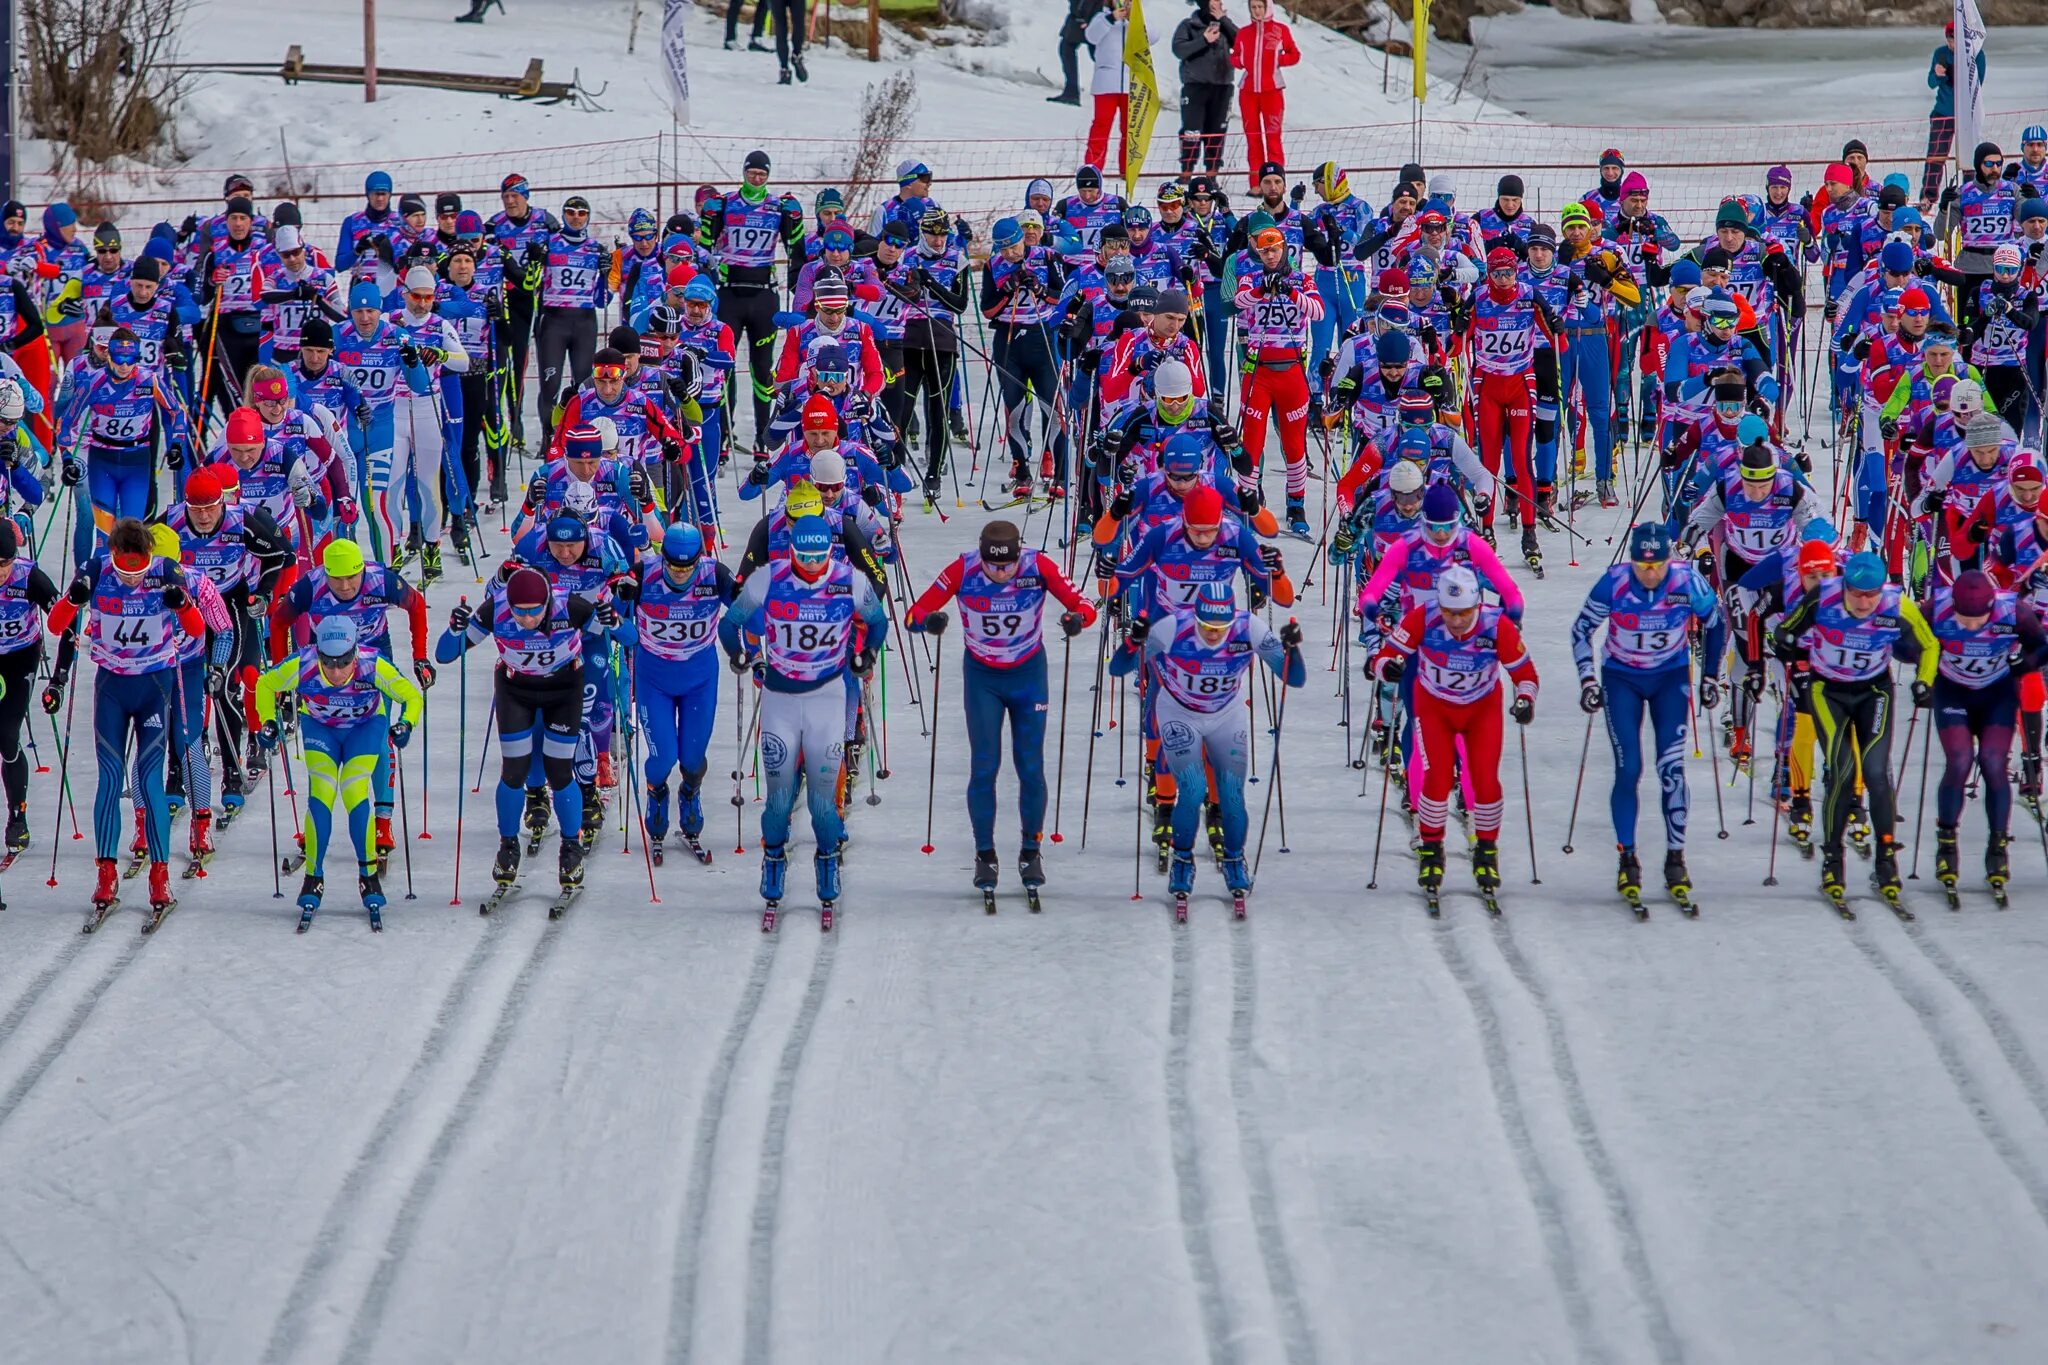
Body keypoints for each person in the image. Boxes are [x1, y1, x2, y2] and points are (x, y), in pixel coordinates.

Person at [908, 520, 1097, 899]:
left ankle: (1031, 851)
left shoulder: (1038, 565)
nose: (1000, 573)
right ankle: (985, 853)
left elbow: (1085, 604)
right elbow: (914, 614)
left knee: (1030, 765)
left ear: (1017, 557)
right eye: (992, 567)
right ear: (981, 557)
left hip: (1028, 674)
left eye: (1007, 566)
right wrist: (931, 621)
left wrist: (1076, 620)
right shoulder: (962, 569)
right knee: (984, 765)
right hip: (983, 678)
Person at [719, 515, 890, 924]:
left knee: (821, 797)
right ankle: (774, 859)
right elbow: (731, 624)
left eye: (819, 556)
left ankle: (828, 857)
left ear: (830, 551)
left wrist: (866, 654)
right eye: (804, 555)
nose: (812, 565)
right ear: (792, 550)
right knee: (778, 798)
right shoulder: (770, 577)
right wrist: (743, 655)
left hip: (827, 697)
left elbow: (879, 621)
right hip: (780, 696)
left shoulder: (850, 580)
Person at [46, 518, 208, 922]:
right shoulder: (98, 569)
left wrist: (183, 604)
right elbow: (55, 625)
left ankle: (159, 875)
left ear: (149, 559)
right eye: (124, 572)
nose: (131, 581)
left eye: (137, 573)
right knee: (110, 777)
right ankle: (105, 873)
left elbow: (198, 629)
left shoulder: (167, 571)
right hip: (113, 687)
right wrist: (72, 599)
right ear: (114, 557)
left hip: (155, 684)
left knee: (150, 779)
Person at [1113, 579, 1303, 908]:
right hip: (1178, 712)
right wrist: (1134, 642)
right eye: (1206, 626)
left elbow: (1294, 678)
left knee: (1231, 794)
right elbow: (1119, 667)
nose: (1214, 634)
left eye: (1221, 627)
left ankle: (1234, 860)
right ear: (1195, 617)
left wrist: (1293, 651)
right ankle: (1182, 862)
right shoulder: (1173, 627)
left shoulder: (1250, 628)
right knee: (1193, 788)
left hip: (1225, 713)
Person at [1572, 523, 1726, 906]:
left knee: (1671, 767)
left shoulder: (1687, 581)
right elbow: (1581, 630)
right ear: (1632, 562)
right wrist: (1589, 681)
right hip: (1622, 678)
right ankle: (1628, 856)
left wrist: (1710, 677)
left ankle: (1676, 856)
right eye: (1644, 566)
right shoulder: (1614, 583)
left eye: (1658, 564)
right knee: (1629, 769)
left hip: (1669, 678)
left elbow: (1716, 623)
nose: (1651, 573)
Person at [1772, 550, 1938, 904]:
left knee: (1876, 773)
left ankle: (1886, 858)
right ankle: (1833, 858)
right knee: (1843, 771)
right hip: (1827, 690)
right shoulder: (1823, 596)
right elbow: (1787, 629)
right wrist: (1784, 644)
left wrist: (1925, 681)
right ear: (1844, 586)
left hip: (1874, 690)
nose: (1864, 603)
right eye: (1857, 594)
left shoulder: (1897, 605)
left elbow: (1929, 644)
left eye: (1871, 594)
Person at [436, 565, 602, 905]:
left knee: (559, 770)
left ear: (547, 602)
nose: (526, 619)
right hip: (516, 689)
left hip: (564, 688)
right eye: (519, 612)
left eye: (534, 612)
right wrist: (454, 630)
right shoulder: (494, 609)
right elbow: (444, 654)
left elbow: (625, 636)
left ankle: (571, 848)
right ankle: (508, 846)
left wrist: (615, 619)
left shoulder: (569, 607)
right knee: (514, 771)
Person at [1372, 563, 1539, 900]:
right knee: (1437, 779)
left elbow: (1526, 674)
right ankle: (1432, 850)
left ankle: (1487, 851)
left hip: (1481, 709)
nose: (1457, 621)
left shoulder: (1496, 625)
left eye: (1464, 613)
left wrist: (1525, 699)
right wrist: (1386, 667)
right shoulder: (1423, 617)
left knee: (1484, 779)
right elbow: (1385, 655)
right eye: (1450, 612)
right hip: (1435, 707)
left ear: (1477, 605)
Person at [254, 614, 423, 918]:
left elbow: (411, 696)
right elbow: (265, 684)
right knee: (321, 792)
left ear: (355, 652)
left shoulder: (373, 664)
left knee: (354, 790)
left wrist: (405, 724)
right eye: (328, 662)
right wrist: (268, 721)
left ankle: (368, 878)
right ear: (317, 653)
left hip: (364, 728)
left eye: (344, 661)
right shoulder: (302, 663)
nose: (335, 670)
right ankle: (313, 878)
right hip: (321, 729)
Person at [1924, 569, 2048, 901]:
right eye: (1964, 618)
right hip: (1953, 692)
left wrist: (2025, 663)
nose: (1971, 626)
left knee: (1994, 763)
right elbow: (1907, 643)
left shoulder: (2013, 611)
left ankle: (1998, 846)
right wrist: (1924, 666)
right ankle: (1947, 844)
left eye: (1979, 619)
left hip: (1997, 694)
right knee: (1959, 760)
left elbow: (2041, 645)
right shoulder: (1935, 608)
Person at [0, 519, 65, 856]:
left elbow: (66, 623)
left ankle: (17, 816)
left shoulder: (29, 578)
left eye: (5, 564)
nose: (1, 572)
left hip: (20, 659)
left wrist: (59, 680)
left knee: (6, 735)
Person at [1230, 0, 1298, 192]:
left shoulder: (1280, 30)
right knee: (1253, 138)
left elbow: (1294, 54)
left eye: (1260, 7)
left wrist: (1279, 59)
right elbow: (1234, 56)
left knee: (1273, 137)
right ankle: (1255, 184)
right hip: (1248, 92)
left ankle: (1276, 183)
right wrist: (1240, 60)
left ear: (1267, 7)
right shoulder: (1244, 33)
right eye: (1253, 7)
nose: (1257, 11)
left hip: (1272, 91)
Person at [1924, 20, 1985, 207]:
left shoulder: (1976, 54)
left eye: (1954, 40)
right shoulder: (1940, 53)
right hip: (1943, 113)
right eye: (1949, 40)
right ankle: (1928, 197)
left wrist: (1950, 74)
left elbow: (1977, 82)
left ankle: (1969, 193)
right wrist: (1938, 75)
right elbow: (1931, 82)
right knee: (1935, 157)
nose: (1951, 44)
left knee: (1968, 157)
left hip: (1966, 114)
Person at [1172, 0, 1237, 177]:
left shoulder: (1225, 25)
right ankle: (1186, 170)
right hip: (1195, 85)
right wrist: (1204, 40)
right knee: (1191, 130)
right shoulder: (1189, 25)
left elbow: (1242, 43)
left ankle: (1212, 171)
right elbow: (1179, 50)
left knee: (1217, 131)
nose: (1220, 3)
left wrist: (1224, 20)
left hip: (1222, 87)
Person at [1083, 1, 1129, 177]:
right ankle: (1093, 167)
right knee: (1101, 125)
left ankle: (1127, 168)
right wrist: (1112, 18)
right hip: (1106, 82)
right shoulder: (1101, 17)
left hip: (1131, 84)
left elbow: (1153, 36)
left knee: (1130, 129)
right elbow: (1091, 36)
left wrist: (1135, 19)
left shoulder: (1139, 20)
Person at [1051, 0, 1102, 106]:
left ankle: (1071, 92)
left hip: (1088, 15)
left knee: (1101, 56)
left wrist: (1085, 17)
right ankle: (1071, 92)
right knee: (1068, 48)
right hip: (1083, 14)